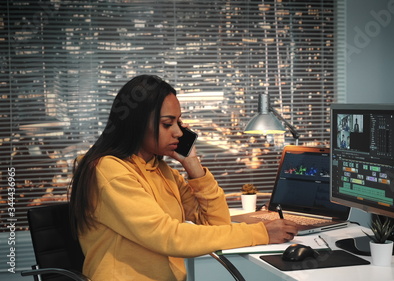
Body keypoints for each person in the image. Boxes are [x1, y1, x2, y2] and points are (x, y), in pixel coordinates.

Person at [69, 75, 298, 281]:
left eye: (179, 122)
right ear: (136, 125)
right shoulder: (108, 170)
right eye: (167, 124)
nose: (178, 132)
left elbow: (216, 224)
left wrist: (193, 166)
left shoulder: (161, 170)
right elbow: (168, 236)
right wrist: (261, 232)